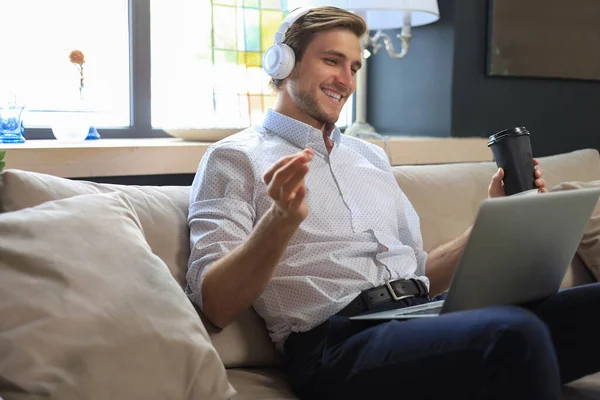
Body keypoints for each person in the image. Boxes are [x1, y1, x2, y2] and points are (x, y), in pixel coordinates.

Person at [186, 6, 600, 399]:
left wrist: (497, 218)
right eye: (332, 61)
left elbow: (419, 274)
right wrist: (279, 222)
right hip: (335, 342)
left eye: (353, 67)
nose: (346, 81)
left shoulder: (370, 157)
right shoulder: (233, 159)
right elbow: (217, 305)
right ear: (283, 63)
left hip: (420, 315)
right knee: (514, 334)